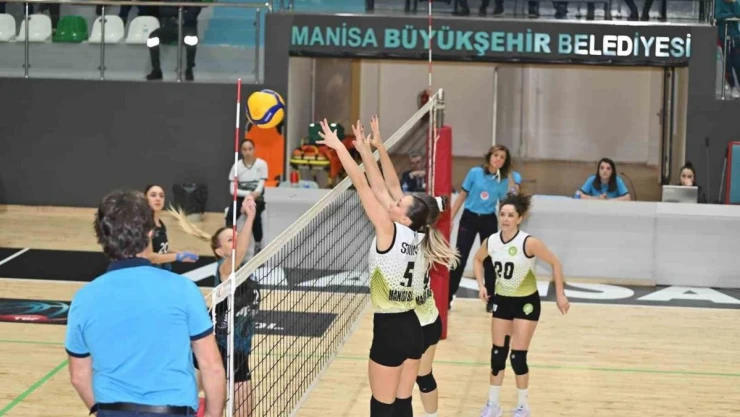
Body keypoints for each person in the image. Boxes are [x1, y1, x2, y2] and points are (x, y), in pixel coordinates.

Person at [316, 118, 456, 417]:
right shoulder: (421, 237)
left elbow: (363, 185)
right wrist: (367, 150)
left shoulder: (388, 231)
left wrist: (340, 147)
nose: (392, 202)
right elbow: (384, 187)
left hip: (391, 328)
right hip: (413, 328)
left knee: (381, 406)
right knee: (403, 402)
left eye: (399, 204)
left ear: (405, 218)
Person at [65, 190, 225, 417]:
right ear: (150, 231)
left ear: (102, 236)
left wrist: (102, 411)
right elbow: (212, 367)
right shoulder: (183, 290)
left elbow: (79, 377)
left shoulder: (83, 299)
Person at [473, 193, 570, 417]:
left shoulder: (529, 242)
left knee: (517, 356)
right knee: (497, 354)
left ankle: (523, 406)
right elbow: (478, 259)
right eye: (502, 214)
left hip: (526, 303)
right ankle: (492, 405)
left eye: (511, 215)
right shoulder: (492, 241)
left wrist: (560, 295)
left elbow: (555, 263)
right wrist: (481, 285)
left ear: (519, 218)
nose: (505, 219)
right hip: (502, 301)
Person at [170, 196, 258, 417]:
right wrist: (250, 217)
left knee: (245, 412)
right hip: (216, 349)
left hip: (239, 353)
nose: (236, 241)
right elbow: (240, 252)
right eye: (230, 240)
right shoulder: (224, 270)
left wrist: (245, 216)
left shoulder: (245, 271)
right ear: (219, 251)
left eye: (236, 237)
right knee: (186, 404)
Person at [449, 145, 522, 313]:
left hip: (488, 219)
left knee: (489, 260)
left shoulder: (504, 179)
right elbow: (461, 197)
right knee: (460, 257)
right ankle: (448, 297)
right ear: (489, 156)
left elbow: (511, 197)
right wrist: (450, 218)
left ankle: (491, 300)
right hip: (469, 218)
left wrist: (510, 175)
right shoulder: (475, 173)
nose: (498, 159)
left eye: (502, 157)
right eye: (496, 155)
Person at [227, 139, 268, 254]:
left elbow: (260, 186)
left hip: (256, 198)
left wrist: (254, 195)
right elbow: (232, 190)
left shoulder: (262, 164)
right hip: (241, 197)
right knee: (230, 216)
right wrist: (248, 195)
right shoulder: (236, 167)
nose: (247, 152)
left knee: (255, 217)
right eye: (245, 149)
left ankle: (258, 245)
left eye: (250, 149)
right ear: (241, 151)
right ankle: (230, 241)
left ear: (254, 150)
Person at [143, 184, 199, 270]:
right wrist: (177, 256)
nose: (158, 198)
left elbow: (161, 250)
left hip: (161, 270)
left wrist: (182, 254)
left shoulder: (161, 223)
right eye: (153, 195)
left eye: (161, 196)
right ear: (145, 199)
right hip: (148, 272)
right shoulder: (145, 224)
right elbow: (148, 256)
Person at [146, 0, 202, 81]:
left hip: (187, 28)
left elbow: (192, 14)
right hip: (170, 28)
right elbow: (163, 11)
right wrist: (182, 11)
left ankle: (189, 69)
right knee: (153, 37)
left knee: (191, 39)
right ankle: (156, 70)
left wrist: (174, 12)